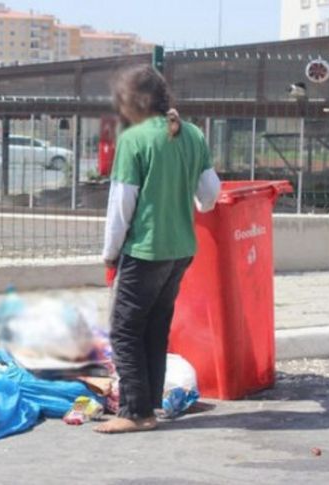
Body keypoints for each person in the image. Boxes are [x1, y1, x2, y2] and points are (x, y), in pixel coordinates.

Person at [95, 65, 221, 434]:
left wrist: (109, 253)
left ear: (136, 102)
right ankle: (148, 405)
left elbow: (121, 207)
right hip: (181, 250)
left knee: (125, 330)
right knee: (154, 326)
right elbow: (210, 196)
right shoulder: (193, 134)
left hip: (145, 250)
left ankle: (136, 412)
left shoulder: (134, 140)